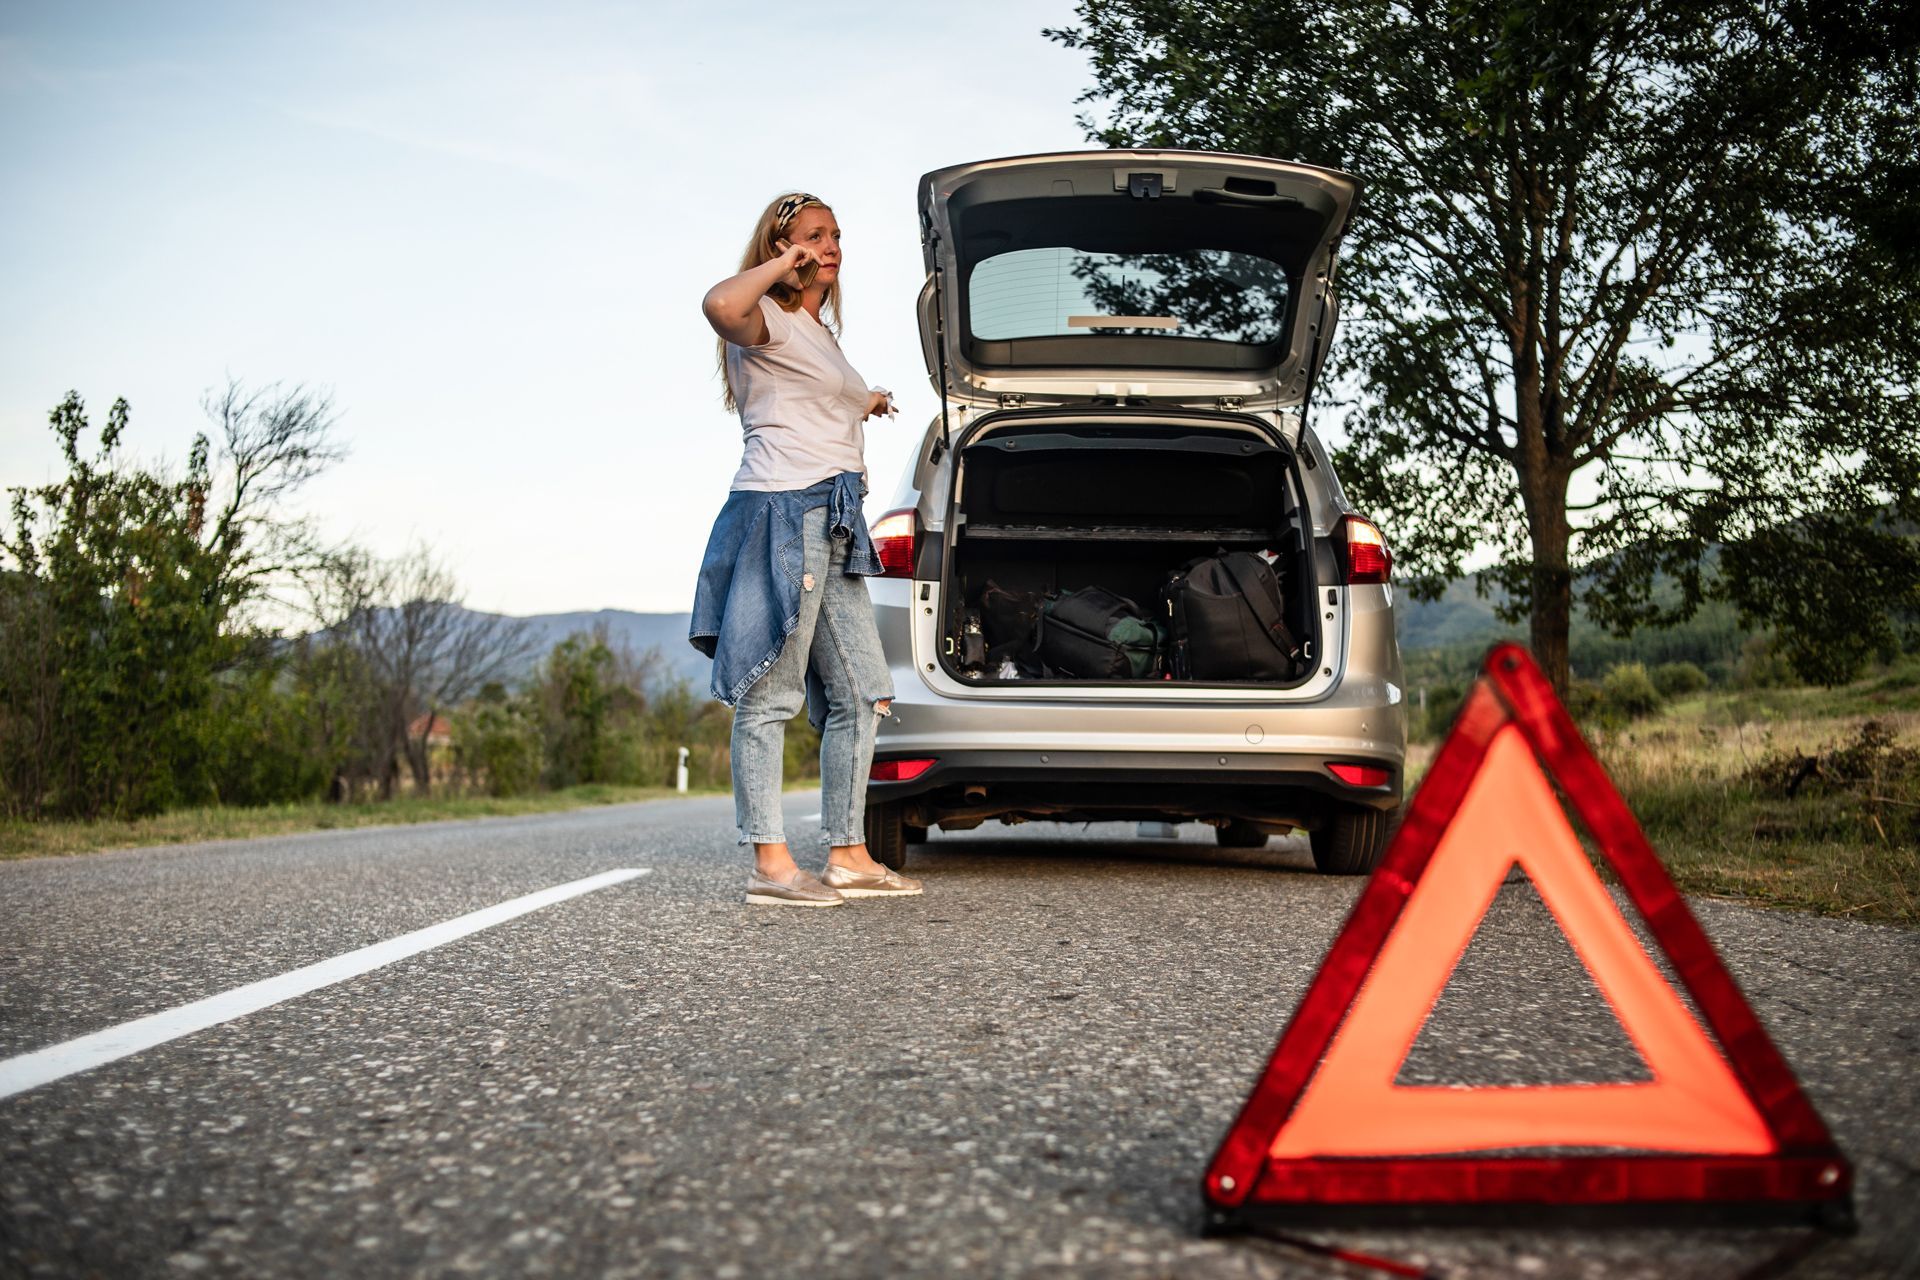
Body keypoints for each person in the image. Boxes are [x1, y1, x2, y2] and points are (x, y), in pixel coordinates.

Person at [689, 191, 922, 907]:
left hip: (835, 520)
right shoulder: (766, 318)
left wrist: (869, 400)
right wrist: (780, 263)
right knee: (772, 693)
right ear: (779, 246)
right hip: (783, 514)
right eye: (812, 237)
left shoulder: (817, 331)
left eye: (834, 236)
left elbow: (824, 396)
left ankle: (848, 855)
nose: (828, 247)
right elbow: (718, 305)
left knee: (862, 693)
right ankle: (769, 862)